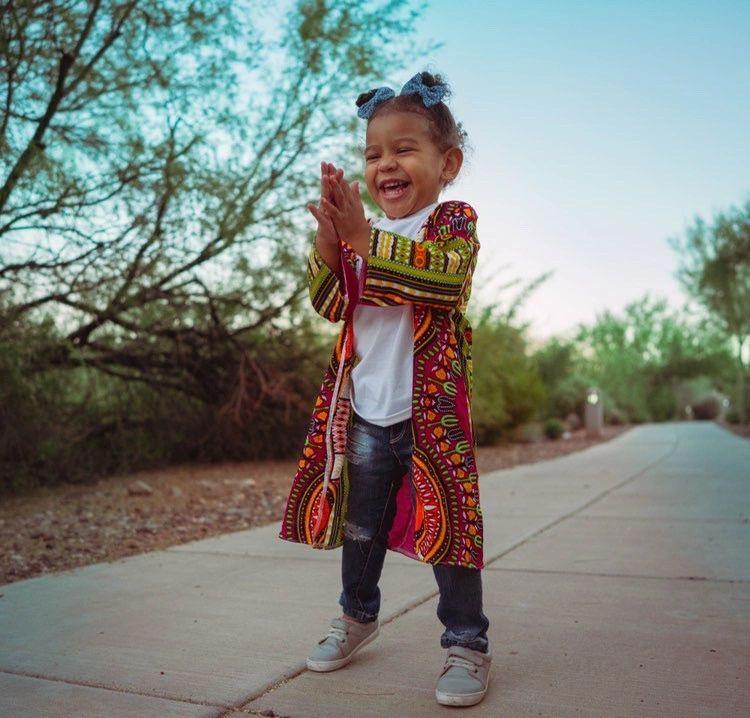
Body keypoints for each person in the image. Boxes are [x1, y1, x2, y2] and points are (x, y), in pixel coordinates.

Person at [278, 71, 491, 707]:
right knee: (361, 526)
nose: (385, 164)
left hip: (430, 414)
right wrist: (328, 240)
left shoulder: (449, 221)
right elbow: (330, 301)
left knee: (452, 531)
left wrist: (362, 242)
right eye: (373, 154)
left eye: (404, 149)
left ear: (446, 162)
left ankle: (466, 644)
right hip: (367, 410)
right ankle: (356, 616)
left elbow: (444, 282)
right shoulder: (360, 233)